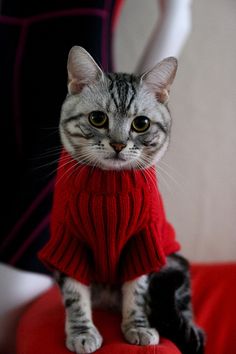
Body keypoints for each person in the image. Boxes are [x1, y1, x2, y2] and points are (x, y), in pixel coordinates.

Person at [0, 0, 192, 352]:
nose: (120, 142)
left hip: (57, 156)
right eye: (105, 122)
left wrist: (178, 17)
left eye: (138, 125)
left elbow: (175, 14)